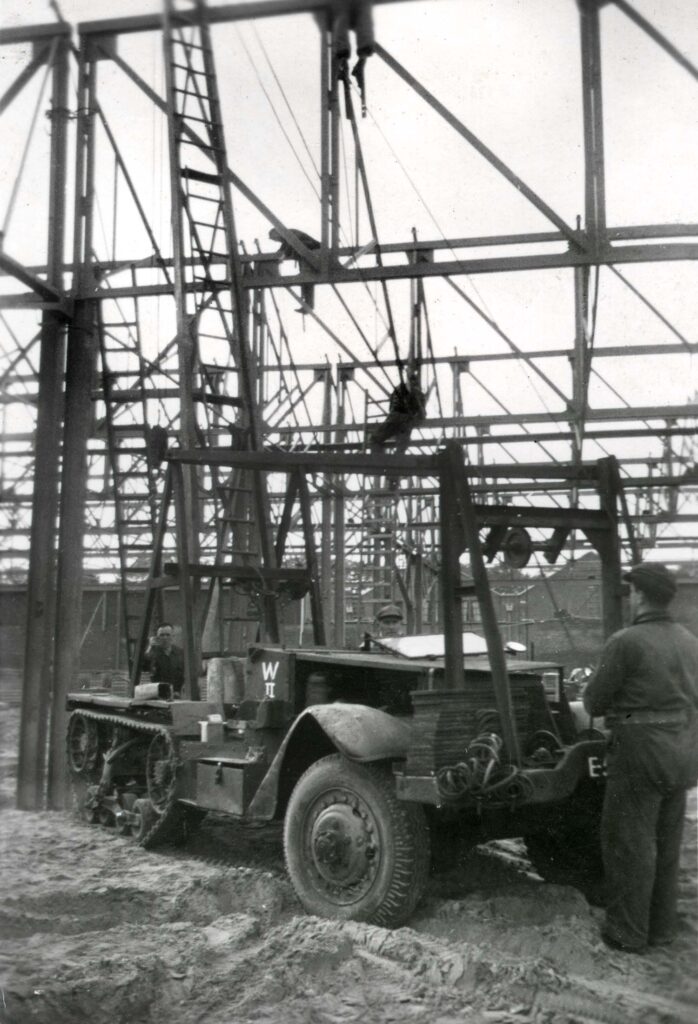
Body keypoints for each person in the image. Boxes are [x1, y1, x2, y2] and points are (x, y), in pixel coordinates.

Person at [583, 563, 698, 953]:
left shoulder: (626, 641)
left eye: (632, 592)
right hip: (681, 753)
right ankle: (661, 929)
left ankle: (627, 933)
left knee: (629, 843)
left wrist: (622, 709)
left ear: (640, 595)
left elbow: (594, 702)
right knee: (667, 846)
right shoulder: (689, 640)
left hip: (639, 753)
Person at [369, 371, 426, 454]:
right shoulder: (419, 394)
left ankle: (379, 462)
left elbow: (391, 407)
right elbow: (422, 414)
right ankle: (395, 461)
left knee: (375, 439)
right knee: (401, 448)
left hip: (394, 417)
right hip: (406, 421)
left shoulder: (397, 389)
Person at [268, 227, 320, 312]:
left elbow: (290, 245)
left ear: (277, 233)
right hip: (306, 257)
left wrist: (283, 256)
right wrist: (275, 257)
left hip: (313, 251)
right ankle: (307, 305)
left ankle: (308, 305)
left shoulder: (289, 234)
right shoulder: (287, 237)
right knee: (305, 280)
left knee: (307, 279)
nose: (276, 240)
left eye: (274, 238)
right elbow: (282, 250)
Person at [142, 622, 185, 698]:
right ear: (157, 637)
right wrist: (150, 647)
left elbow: (185, 674)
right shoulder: (152, 652)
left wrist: (180, 691)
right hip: (157, 695)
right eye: (161, 635)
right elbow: (143, 667)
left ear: (173, 637)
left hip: (176, 695)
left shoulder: (180, 653)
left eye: (168, 635)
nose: (165, 638)